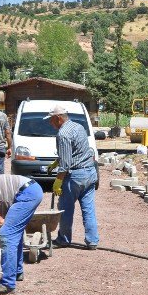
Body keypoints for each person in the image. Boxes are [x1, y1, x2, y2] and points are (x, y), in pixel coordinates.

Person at [48, 105, 99, 249]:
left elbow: (65, 164)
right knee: (88, 209)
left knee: (65, 208)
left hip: (75, 176)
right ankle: (92, 241)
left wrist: (58, 181)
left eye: (51, 120)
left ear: (58, 118)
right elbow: (78, 151)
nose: (50, 123)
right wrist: (56, 161)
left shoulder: (63, 134)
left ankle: (63, 239)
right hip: (89, 172)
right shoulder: (78, 127)